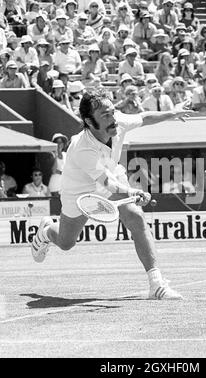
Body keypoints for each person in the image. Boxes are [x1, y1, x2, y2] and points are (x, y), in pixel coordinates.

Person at [30, 87, 193, 300]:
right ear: (89, 122)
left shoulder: (117, 120)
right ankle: (48, 231)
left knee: (135, 217)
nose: (112, 117)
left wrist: (173, 112)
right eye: (104, 115)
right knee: (66, 242)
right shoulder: (82, 147)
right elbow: (106, 183)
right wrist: (132, 190)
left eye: (111, 111)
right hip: (78, 191)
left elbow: (144, 117)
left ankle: (156, 285)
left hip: (112, 174)